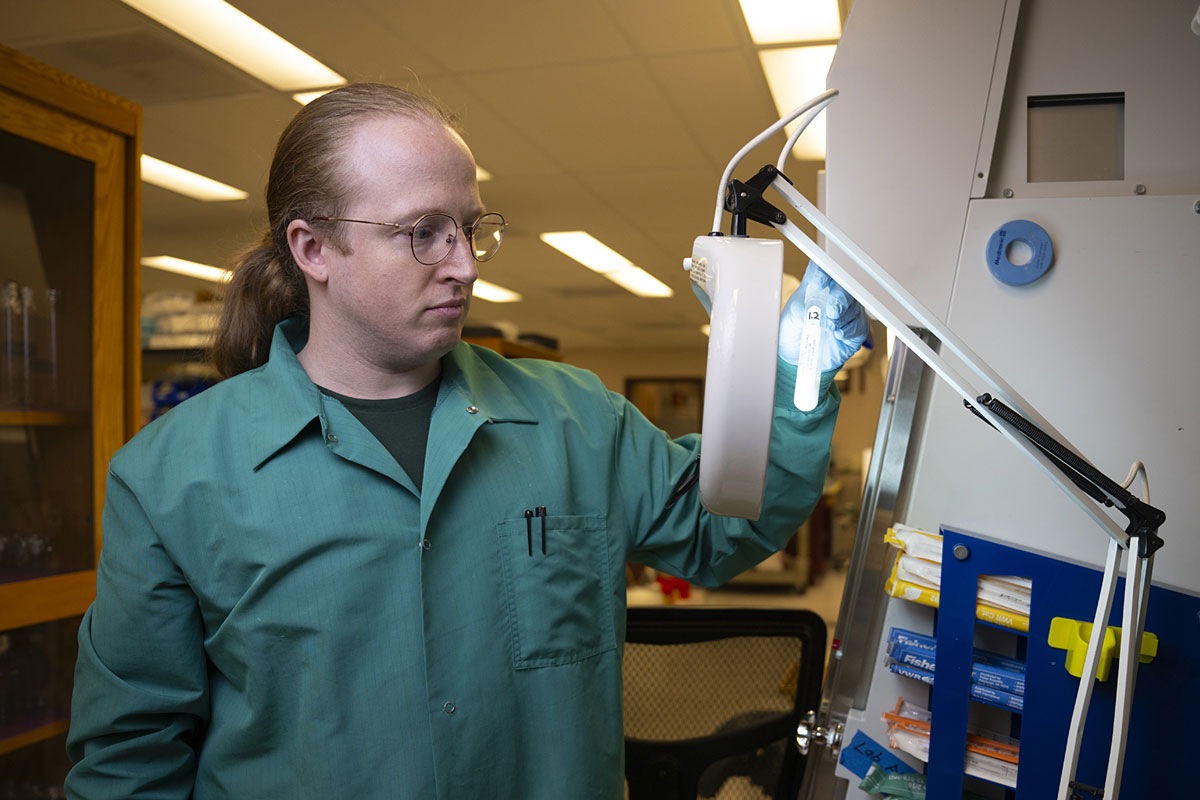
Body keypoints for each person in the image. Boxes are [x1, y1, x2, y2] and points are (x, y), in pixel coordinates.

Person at [65, 83, 867, 799]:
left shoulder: (573, 418)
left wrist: (795, 383)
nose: (464, 266)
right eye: (423, 232)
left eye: (469, 228)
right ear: (314, 250)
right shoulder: (171, 476)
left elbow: (725, 525)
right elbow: (130, 759)